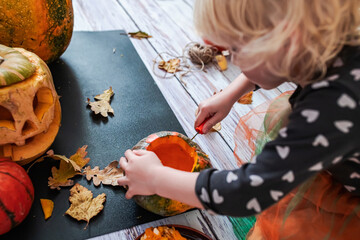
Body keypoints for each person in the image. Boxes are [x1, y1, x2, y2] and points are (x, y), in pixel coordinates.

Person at [118, 0, 360, 238]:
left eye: (236, 50)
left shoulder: (331, 106)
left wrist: (156, 179)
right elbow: (278, 62)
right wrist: (232, 92)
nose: (233, 59)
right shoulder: (327, 42)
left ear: (285, 41)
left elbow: (249, 191)